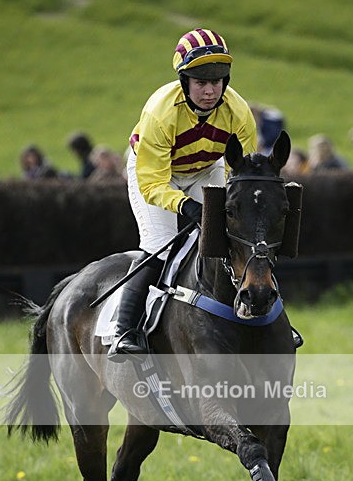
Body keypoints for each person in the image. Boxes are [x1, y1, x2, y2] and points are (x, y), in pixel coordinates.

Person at [108, 27, 257, 358]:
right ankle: (125, 329)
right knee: (159, 246)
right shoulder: (160, 113)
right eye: (201, 82)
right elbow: (153, 184)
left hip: (205, 169)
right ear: (184, 81)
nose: (209, 91)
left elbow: (241, 174)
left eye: (217, 81)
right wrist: (186, 206)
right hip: (156, 175)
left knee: (238, 237)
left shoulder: (239, 112)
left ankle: (263, 316)